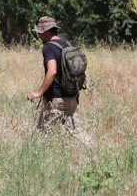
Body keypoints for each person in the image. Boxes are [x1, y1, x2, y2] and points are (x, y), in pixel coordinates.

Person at [26, 16, 92, 146]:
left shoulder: (48, 48)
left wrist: (39, 92)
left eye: (39, 32)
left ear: (45, 31)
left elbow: (52, 71)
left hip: (54, 100)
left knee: (39, 136)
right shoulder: (68, 45)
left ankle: (39, 163)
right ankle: (94, 154)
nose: (38, 35)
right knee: (79, 134)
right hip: (72, 98)